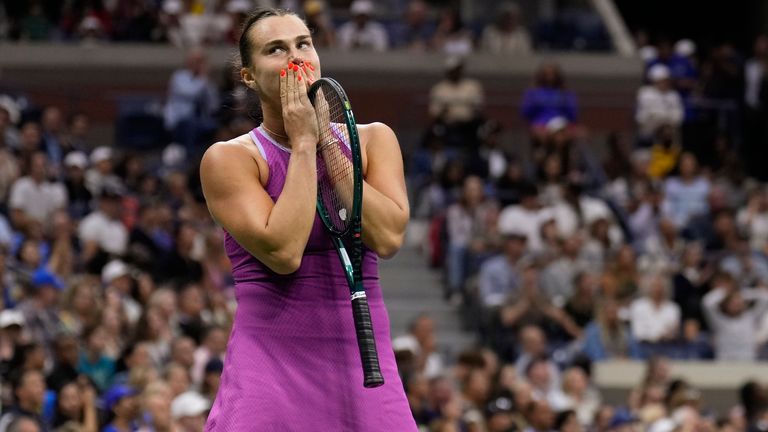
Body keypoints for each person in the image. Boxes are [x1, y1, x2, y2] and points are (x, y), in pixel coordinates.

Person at [198, 8, 414, 431]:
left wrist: (328, 145)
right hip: (271, 362)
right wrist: (302, 143)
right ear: (248, 76)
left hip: (364, 360)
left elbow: (387, 237)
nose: (296, 58)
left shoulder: (374, 139)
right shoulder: (229, 159)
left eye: (303, 44)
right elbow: (283, 250)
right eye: (275, 49)